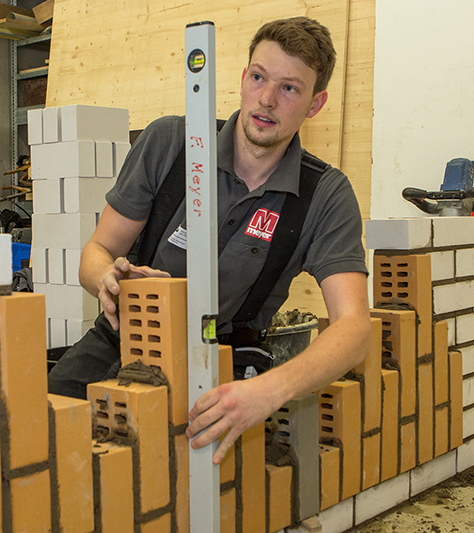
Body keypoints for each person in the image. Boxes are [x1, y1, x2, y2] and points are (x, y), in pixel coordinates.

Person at [47, 17, 371, 465]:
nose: (267, 99)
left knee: (172, 478)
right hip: (123, 337)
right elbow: (96, 252)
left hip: (225, 361)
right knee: (40, 439)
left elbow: (354, 328)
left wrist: (267, 392)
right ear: (243, 78)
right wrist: (106, 277)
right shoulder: (170, 144)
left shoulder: (324, 194)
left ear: (316, 104)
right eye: (258, 77)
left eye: (290, 88)